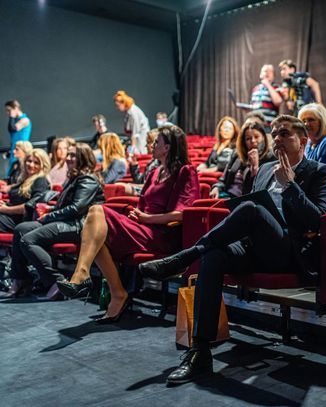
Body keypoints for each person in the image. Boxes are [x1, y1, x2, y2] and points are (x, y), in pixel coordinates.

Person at [138, 115, 326, 384]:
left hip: (288, 252)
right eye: (274, 134)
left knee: (251, 209)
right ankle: (200, 351)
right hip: (254, 248)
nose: (277, 139)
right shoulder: (265, 169)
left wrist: (290, 185)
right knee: (214, 255)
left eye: (284, 134)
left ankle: (184, 257)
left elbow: (318, 220)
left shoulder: (319, 171)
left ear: (302, 141)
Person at [57, 126, 200, 322]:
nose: (152, 145)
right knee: (95, 234)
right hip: (142, 228)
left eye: (156, 142)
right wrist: (136, 216)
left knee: (97, 212)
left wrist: (147, 218)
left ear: (167, 148)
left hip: (163, 235)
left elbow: (183, 214)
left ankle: (84, 277)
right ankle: (115, 292)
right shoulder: (154, 172)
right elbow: (142, 206)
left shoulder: (185, 172)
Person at [3, 143, 105, 299]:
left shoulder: (88, 179)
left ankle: (57, 281)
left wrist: (49, 216)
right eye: (68, 154)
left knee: (28, 240)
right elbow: (67, 206)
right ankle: (21, 278)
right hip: (67, 221)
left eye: (73, 155)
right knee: (21, 229)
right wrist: (50, 210)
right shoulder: (75, 177)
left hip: (79, 225)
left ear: (83, 158)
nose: (68, 158)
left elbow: (76, 209)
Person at [210, 122, 275, 199]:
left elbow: (257, 192)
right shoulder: (236, 154)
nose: (253, 141)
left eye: (256, 137)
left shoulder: (270, 158)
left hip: (245, 200)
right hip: (226, 195)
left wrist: (254, 168)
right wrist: (216, 187)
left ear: (263, 137)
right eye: (248, 138)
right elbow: (223, 179)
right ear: (244, 142)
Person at [0, 149, 50, 233]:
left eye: (36, 163)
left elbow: (29, 207)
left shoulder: (40, 181)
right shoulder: (25, 179)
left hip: (21, 221)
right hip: (11, 215)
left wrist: (6, 209)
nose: (31, 165)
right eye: (29, 161)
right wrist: (4, 204)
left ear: (43, 165)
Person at [120, 129, 160, 196]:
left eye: (148, 142)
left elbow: (150, 187)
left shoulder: (159, 163)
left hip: (150, 195)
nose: (146, 146)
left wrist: (129, 186)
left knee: (120, 187)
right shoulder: (152, 162)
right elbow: (140, 181)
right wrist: (134, 165)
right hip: (144, 192)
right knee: (119, 186)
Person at [4, 100, 32, 168]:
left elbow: (12, 129)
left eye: (9, 110)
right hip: (14, 150)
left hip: (21, 151)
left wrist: (11, 116)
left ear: (16, 108)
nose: (8, 113)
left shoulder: (25, 120)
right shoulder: (16, 120)